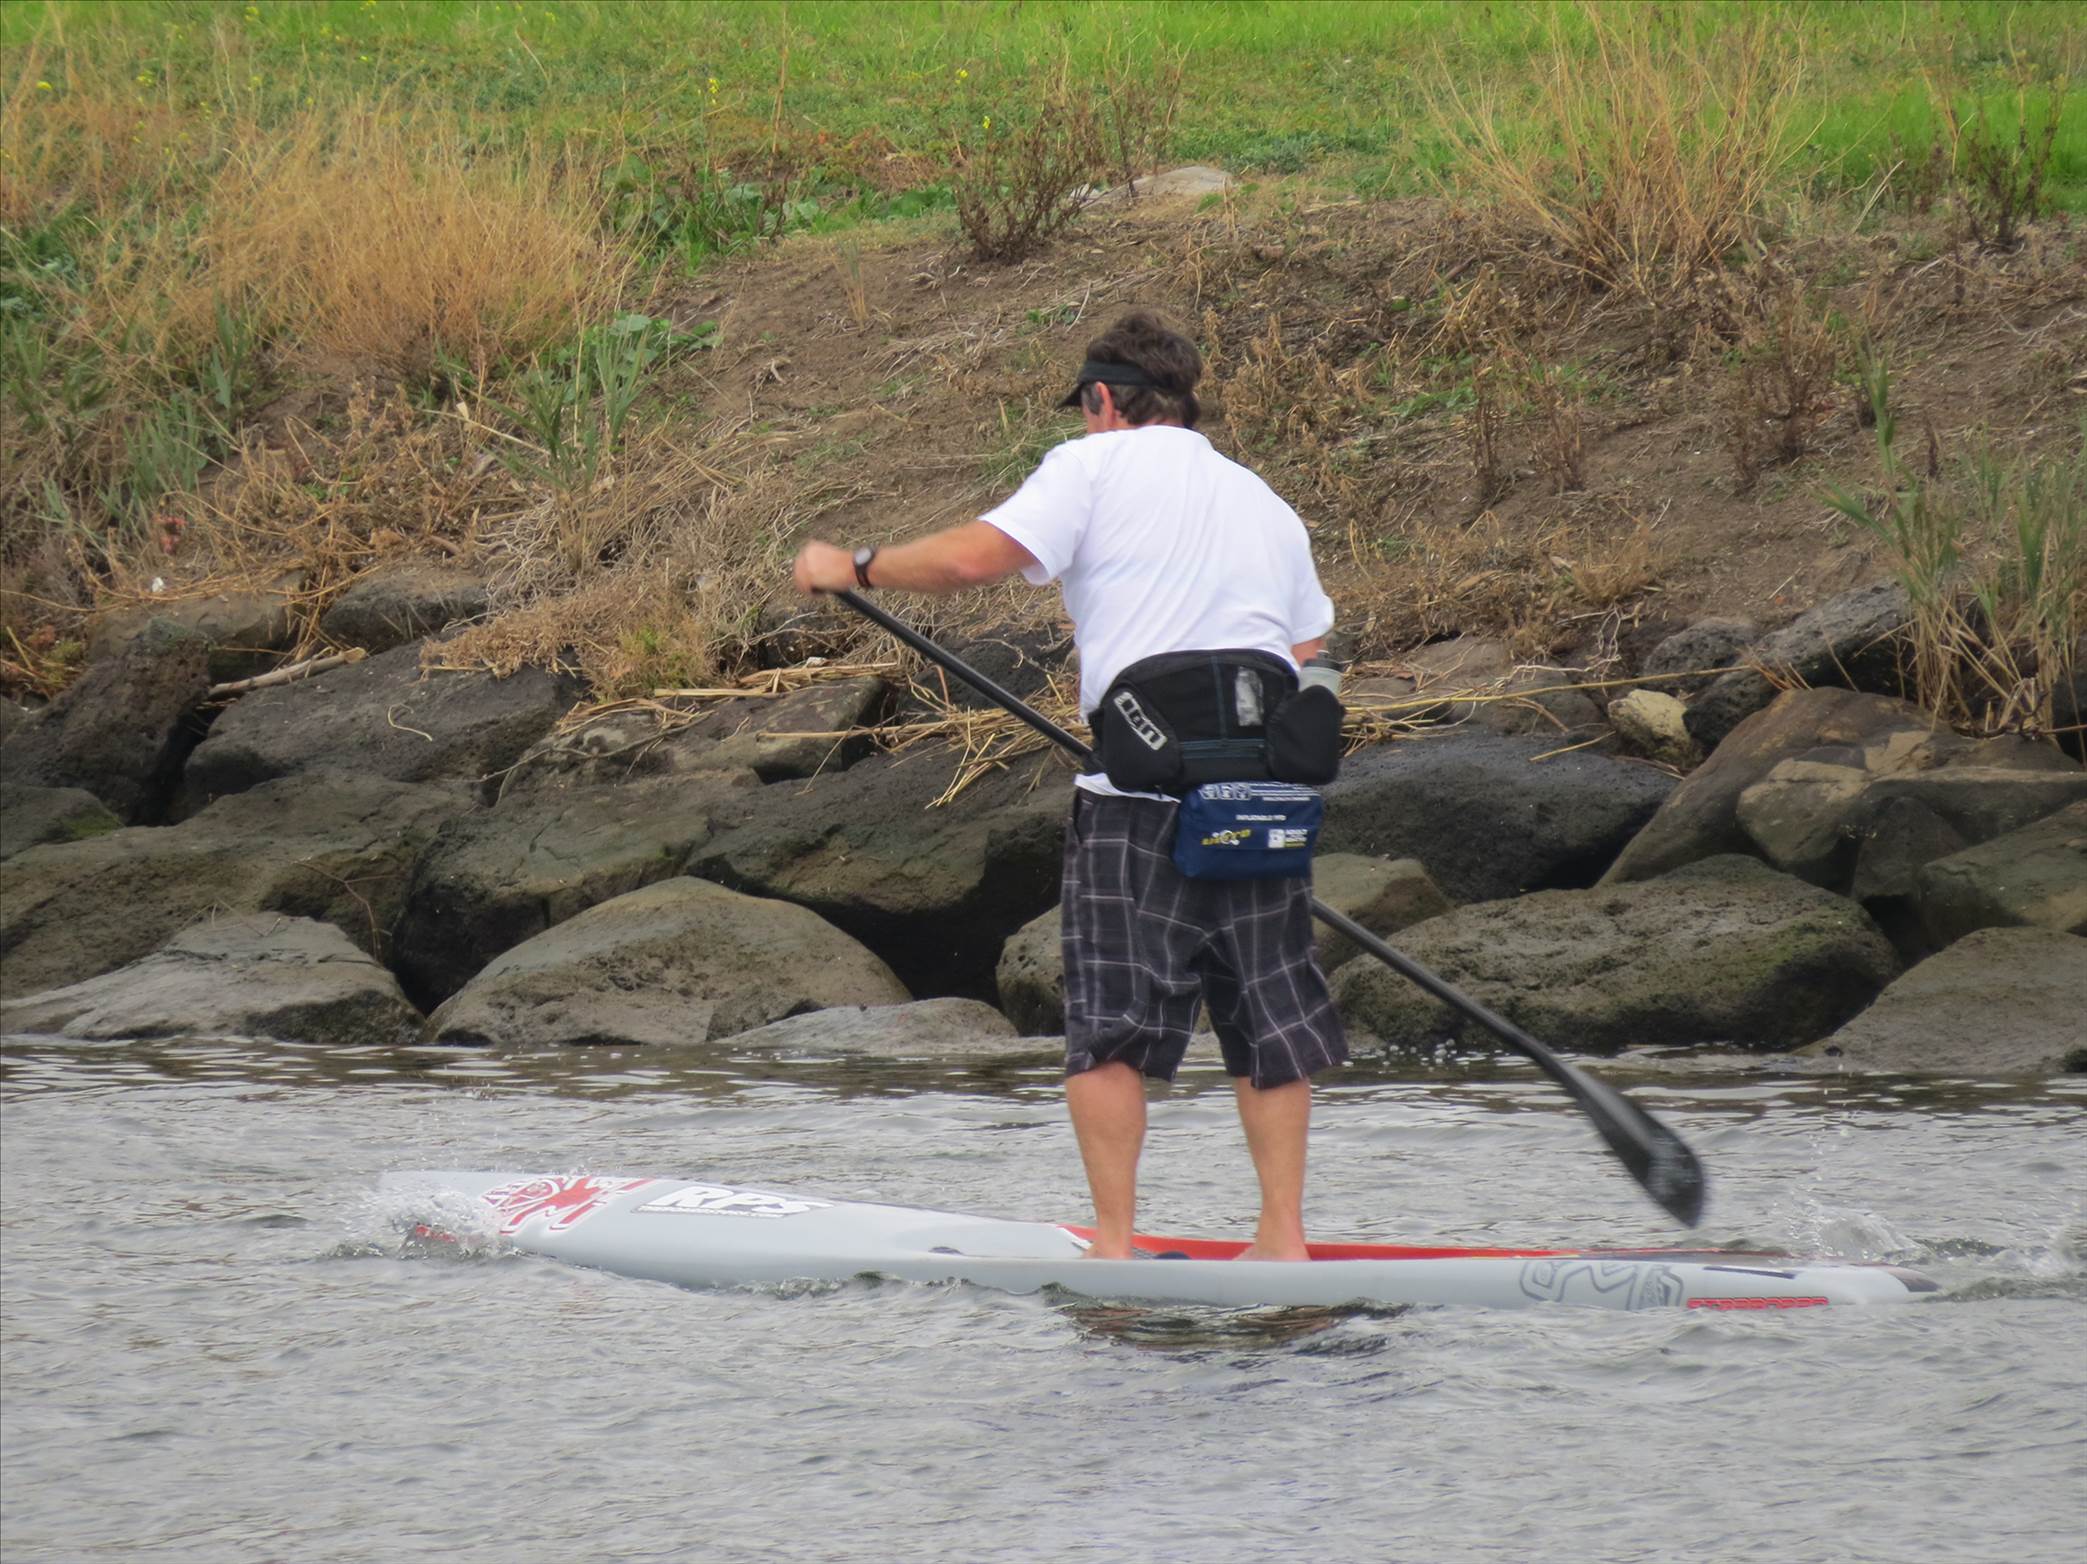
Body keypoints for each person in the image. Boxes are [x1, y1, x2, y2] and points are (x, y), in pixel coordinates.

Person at [792, 310, 1345, 1261]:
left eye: (1087, 409)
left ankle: (1117, 1246)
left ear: (1101, 399)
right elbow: (1309, 657)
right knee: (1268, 1018)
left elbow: (974, 559)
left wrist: (858, 567)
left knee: (1110, 1028)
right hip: (1260, 799)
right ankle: (1281, 1241)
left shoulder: (1088, 466)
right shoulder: (1262, 498)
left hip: (1138, 801)